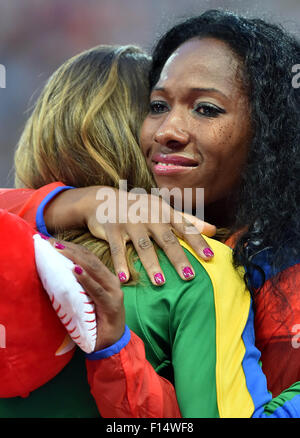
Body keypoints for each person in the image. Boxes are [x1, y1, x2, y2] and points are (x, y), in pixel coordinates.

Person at [1, 31, 300, 418]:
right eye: (157, 106)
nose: (168, 131)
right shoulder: (201, 274)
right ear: (133, 137)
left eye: (206, 109)